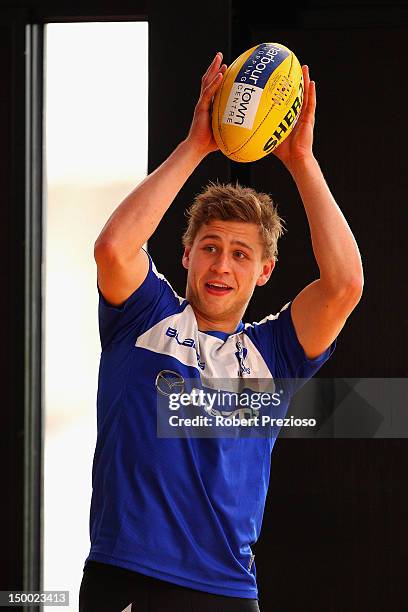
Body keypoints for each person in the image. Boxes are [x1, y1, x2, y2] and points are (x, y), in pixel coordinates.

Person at [79, 51, 363, 611]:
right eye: (209, 248)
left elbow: (345, 286)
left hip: (227, 591)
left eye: (240, 254)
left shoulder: (272, 352)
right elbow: (114, 248)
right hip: (127, 578)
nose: (221, 266)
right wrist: (197, 145)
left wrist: (302, 160)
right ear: (185, 254)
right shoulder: (145, 316)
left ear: (264, 271)